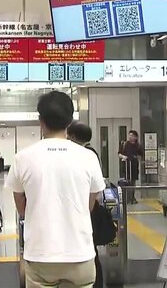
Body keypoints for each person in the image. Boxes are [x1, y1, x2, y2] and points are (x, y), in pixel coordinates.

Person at [6, 91, 105, 288]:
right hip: (80, 253)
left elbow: (21, 208)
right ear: (70, 121)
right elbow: (90, 204)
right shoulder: (88, 157)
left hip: (40, 254)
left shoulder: (22, 158)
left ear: (40, 121)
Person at [67, 121, 105, 288]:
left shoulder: (86, 154)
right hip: (88, 207)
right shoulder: (91, 153)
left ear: (74, 137)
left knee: (91, 249)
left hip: (88, 209)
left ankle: (95, 283)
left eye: (69, 136)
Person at [118, 130, 143, 204]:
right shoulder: (124, 144)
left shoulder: (138, 146)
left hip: (134, 166)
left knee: (133, 181)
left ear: (135, 137)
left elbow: (141, 155)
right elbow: (119, 153)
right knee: (126, 180)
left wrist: (136, 157)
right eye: (129, 135)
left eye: (132, 135)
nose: (130, 137)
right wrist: (124, 157)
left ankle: (132, 197)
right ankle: (126, 197)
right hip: (126, 165)